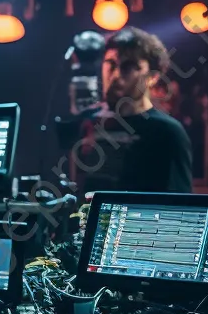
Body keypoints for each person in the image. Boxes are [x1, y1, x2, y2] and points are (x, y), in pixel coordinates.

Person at [77, 26, 194, 194]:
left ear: (152, 77)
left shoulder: (167, 132)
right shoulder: (90, 123)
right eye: (110, 64)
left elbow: (179, 204)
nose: (116, 75)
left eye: (128, 67)